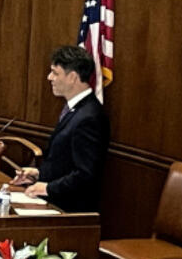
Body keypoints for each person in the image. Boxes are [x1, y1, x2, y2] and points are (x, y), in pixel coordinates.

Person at [11, 45, 110, 213]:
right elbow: (65, 162)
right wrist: (37, 174)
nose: (49, 78)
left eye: (55, 73)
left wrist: (47, 188)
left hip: (69, 210)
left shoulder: (90, 117)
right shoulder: (75, 109)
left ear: (72, 77)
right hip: (56, 202)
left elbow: (86, 175)